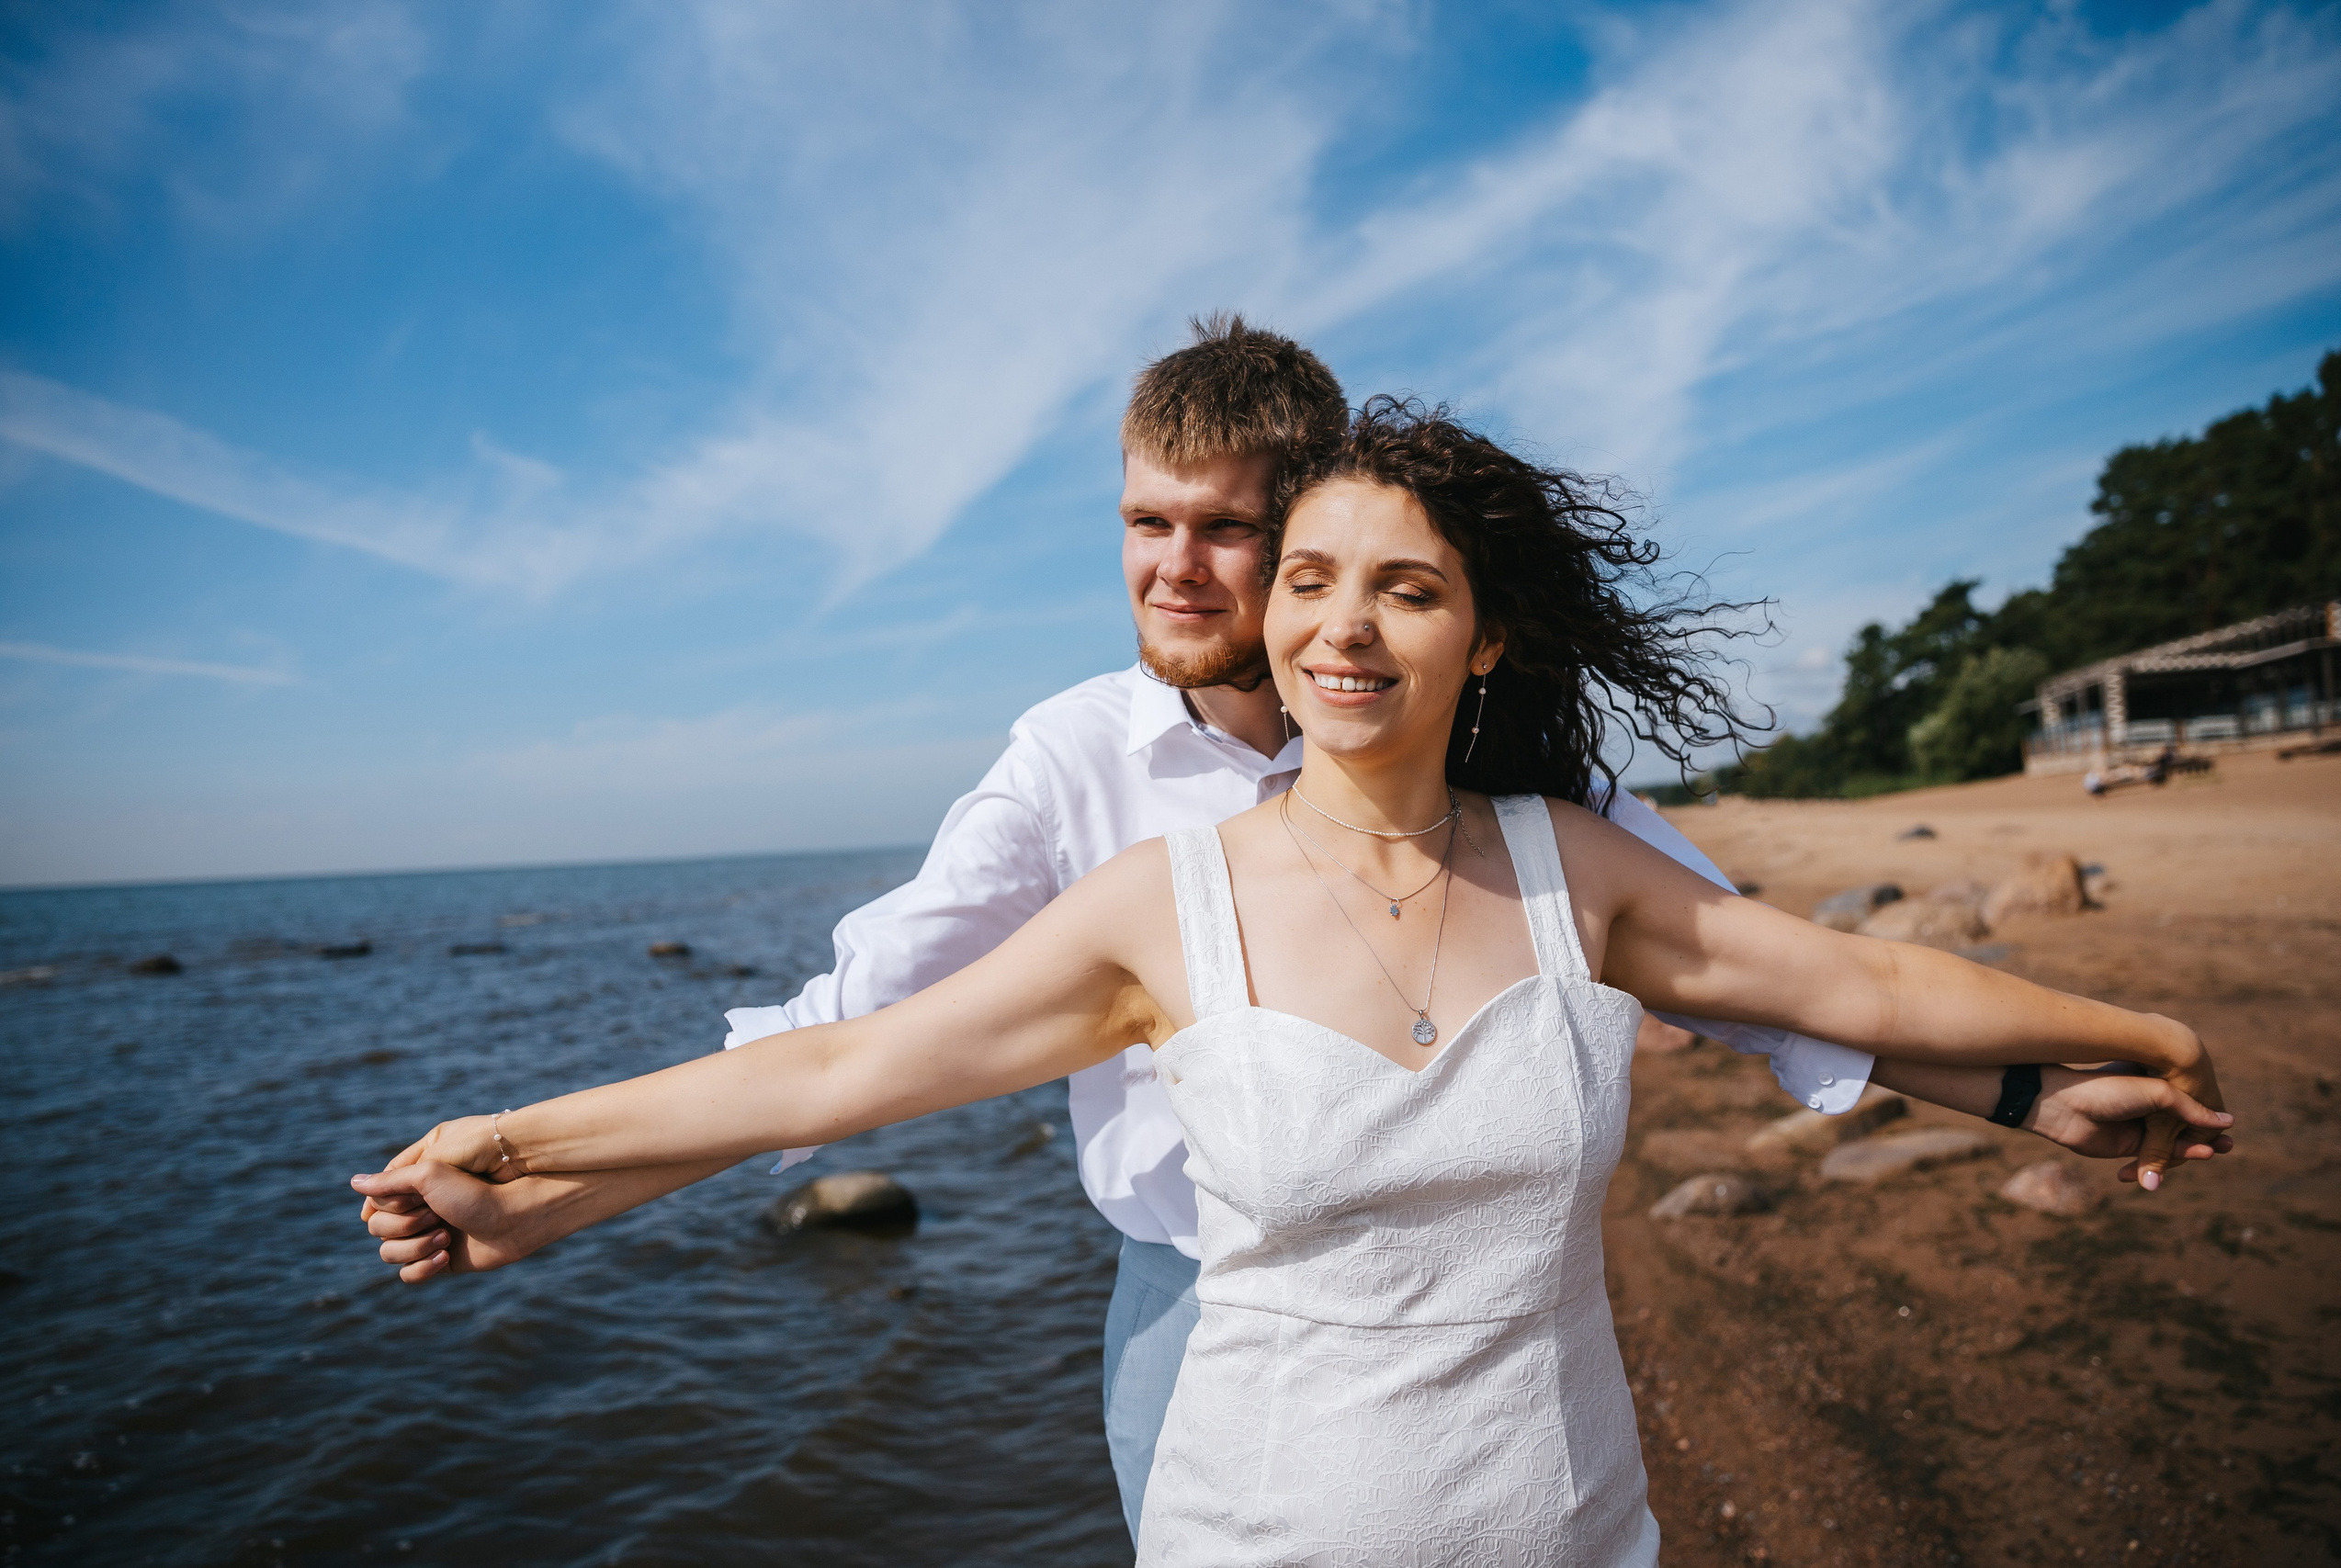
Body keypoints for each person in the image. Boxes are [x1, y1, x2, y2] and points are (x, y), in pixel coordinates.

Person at [356, 325, 2234, 1545]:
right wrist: (547, 1177)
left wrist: (2025, 1078)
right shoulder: (1076, 769)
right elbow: (855, 1037)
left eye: (1235, 536)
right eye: (1141, 526)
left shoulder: (1522, 798)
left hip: (1499, 1334)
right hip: (1206, 1300)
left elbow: (1761, 974)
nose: (1184, 572)